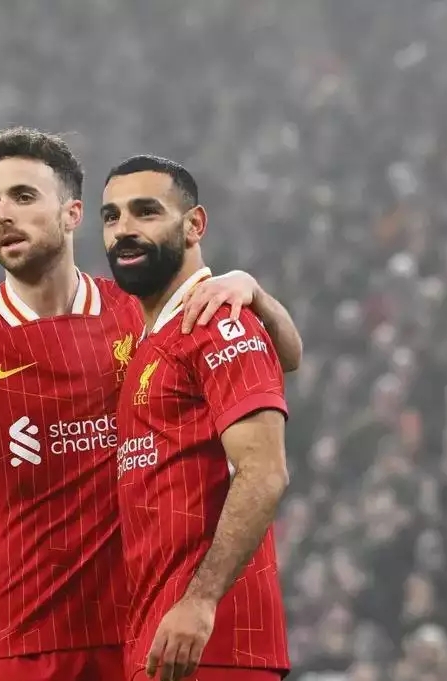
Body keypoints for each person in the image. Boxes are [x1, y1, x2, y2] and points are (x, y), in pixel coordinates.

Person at [0, 128, 302, 681]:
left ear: (73, 213)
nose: (4, 215)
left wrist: (251, 289)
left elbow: (274, 354)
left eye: (23, 197)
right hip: (26, 638)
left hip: (142, 633)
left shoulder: (137, 311)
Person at [103, 155, 290, 681]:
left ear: (194, 225)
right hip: (159, 639)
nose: (124, 229)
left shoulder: (217, 321)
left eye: (145, 211)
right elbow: (291, 354)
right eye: (111, 216)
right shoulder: (152, 336)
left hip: (213, 641)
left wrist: (201, 601)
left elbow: (265, 472)